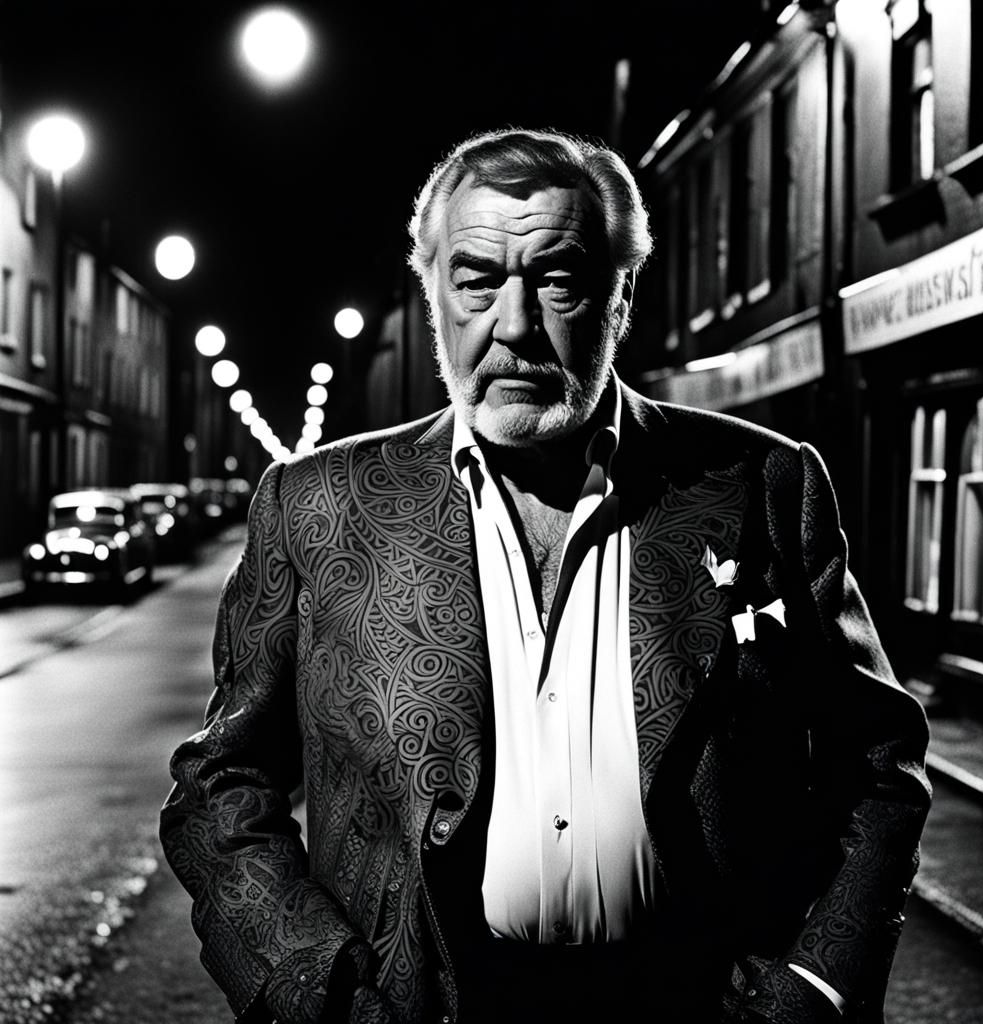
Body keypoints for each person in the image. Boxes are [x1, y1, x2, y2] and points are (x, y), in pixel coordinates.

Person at [160, 128, 931, 1024]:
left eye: (558, 281)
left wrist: (814, 987)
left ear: (621, 295)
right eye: (477, 280)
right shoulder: (319, 503)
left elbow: (877, 763)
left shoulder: (761, 484)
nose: (515, 326)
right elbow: (219, 783)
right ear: (435, 295)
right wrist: (311, 987)